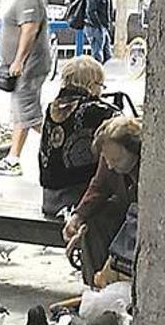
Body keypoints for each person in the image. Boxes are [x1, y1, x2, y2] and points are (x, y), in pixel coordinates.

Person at [62, 116, 141, 286]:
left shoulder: (146, 164)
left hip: (140, 219)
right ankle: (94, 284)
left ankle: (111, 280)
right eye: (107, 159)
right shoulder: (108, 160)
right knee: (93, 224)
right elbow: (99, 187)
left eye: (117, 160)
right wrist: (78, 217)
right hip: (125, 211)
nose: (111, 165)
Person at [39, 56, 117, 216]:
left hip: (49, 199)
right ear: (92, 84)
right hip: (77, 199)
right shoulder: (97, 111)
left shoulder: (52, 108)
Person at [0, 0, 52, 176]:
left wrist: (19, 60)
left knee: (28, 112)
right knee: (22, 110)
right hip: (25, 65)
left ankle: (60, 141)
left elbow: (30, 28)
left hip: (28, 66)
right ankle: (13, 158)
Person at [84, 0, 112, 64]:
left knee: (106, 54)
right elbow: (91, 9)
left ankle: (98, 72)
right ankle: (95, 74)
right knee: (97, 56)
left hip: (101, 26)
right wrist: (98, 25)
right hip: (96, 26)